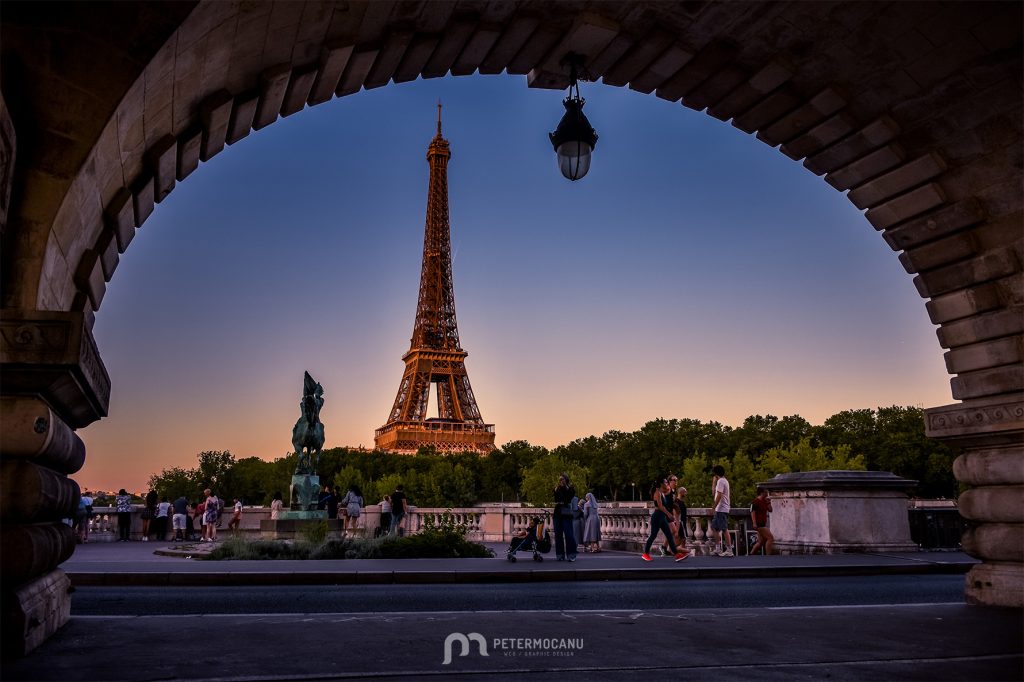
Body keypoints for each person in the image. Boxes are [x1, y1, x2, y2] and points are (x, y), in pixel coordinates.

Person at [642, 479, 687, 562]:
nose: (667, 483)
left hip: (662, 517)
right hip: (657, 516)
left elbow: (668, 501)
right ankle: (645, 554)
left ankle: (677, 555)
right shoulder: (657, 493)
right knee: (653, 536)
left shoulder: (662, 492)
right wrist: (669, 514)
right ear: (661, 484)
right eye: (666, 482)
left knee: (669, 535)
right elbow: (660, 506)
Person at [708, 465, 734, 557]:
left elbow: (719, 495)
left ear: (715, 473)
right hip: (721, 509)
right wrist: (714, 482)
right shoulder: (722, 481)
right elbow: (713, 493)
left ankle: (729, 549)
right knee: (715, 528)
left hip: (721, 509)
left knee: (724, 529)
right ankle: (718, 548)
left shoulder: (721, 481)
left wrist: (713, 507)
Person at [552, 473, 578, 562]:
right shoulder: (556, 489)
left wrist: (565, 487)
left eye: (562, 479)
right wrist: (557, 490)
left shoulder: (571, 489)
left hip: (566, 513)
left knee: (569, 534)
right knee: (558, 535)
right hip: (557, 512)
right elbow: (556, 500)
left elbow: (568, 498)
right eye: (559, 480)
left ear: (566, 480)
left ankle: (571, 554)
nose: (560, 481)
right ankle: (560, 555)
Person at [749, 486, 775, 555]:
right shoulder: (755, 501)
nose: (767, 494)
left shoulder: (764, 501)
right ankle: (768, 556)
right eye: (766, 492)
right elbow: (752, 512)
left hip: (763, 523)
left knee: (760, 542)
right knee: (770, 538)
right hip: (759, 524)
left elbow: (770, 510)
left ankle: (751, 554)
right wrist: (754, 523)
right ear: (761, 493)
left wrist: (768, 503)